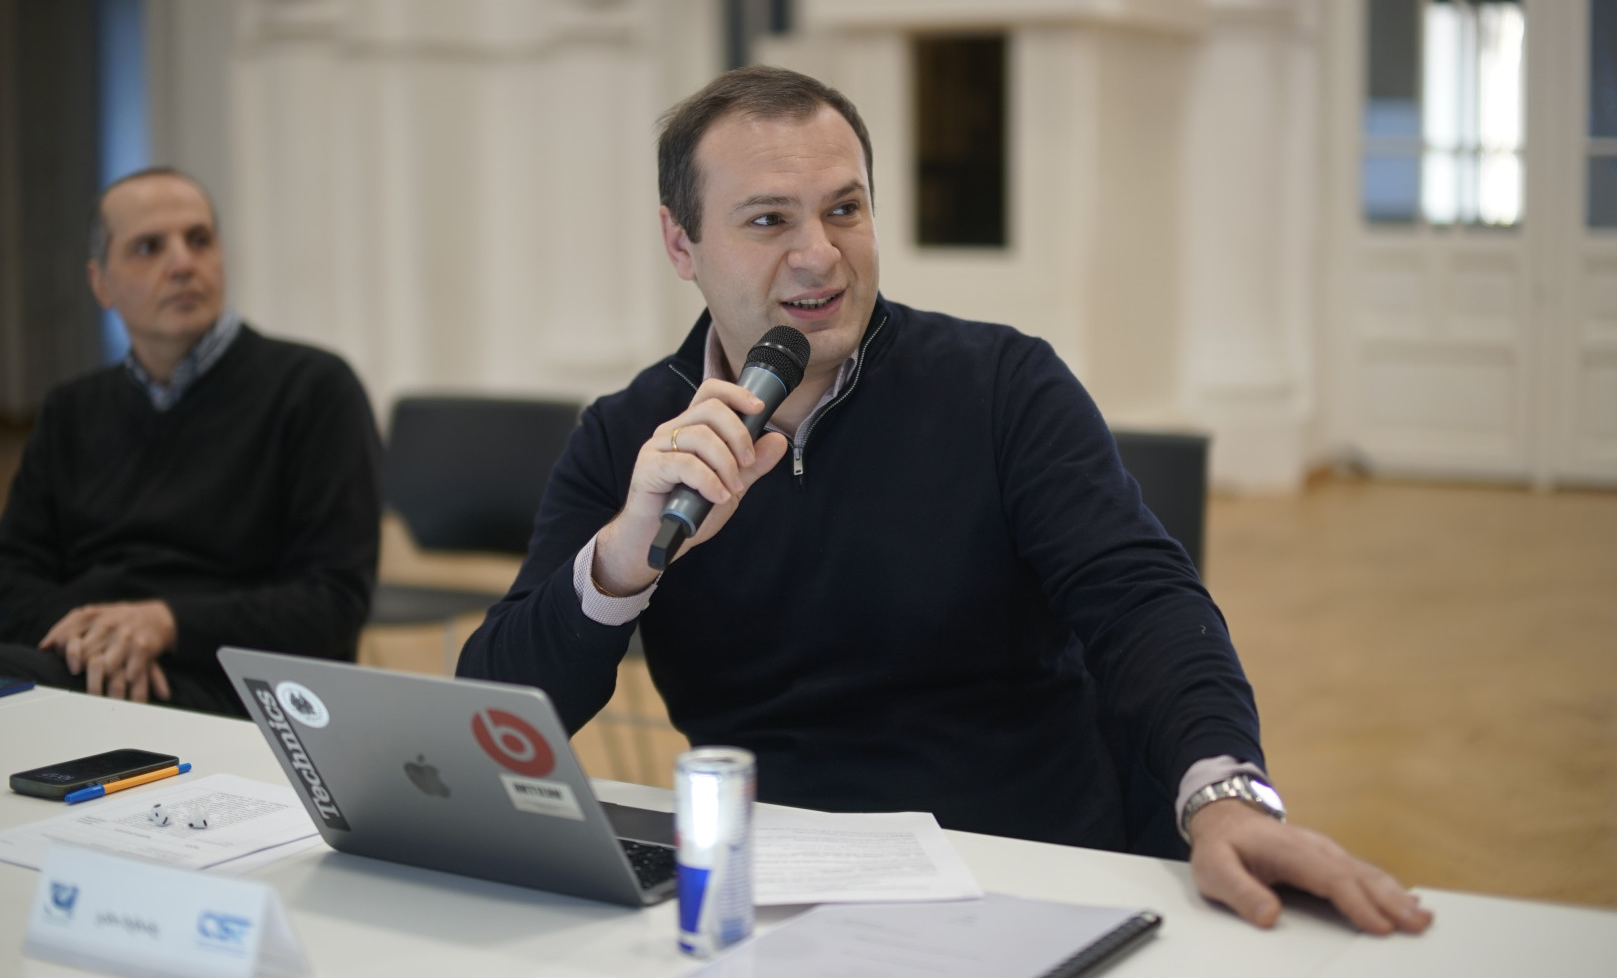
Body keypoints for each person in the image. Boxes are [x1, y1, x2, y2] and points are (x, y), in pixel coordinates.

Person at [458, 67, 1433, 935]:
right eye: (768, 221)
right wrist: (621, 558)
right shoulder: (630, 436)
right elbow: (495, 712)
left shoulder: (1002, 385)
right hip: (781, 887)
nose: (820, 255)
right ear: (681, 242)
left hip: (1028, 862)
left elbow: (1141, 599)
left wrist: (1224, 795)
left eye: (845, 209)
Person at [0, 168, 382, 715]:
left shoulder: (315, 390)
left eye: (199, 240)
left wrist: (166, 624)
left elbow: (333, 602)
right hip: (90, 669)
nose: (182, 264)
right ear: (101, 283)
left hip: (238, 686)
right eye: (149, 247)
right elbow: (12, 578)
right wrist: (101, 639)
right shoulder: (70, 410)